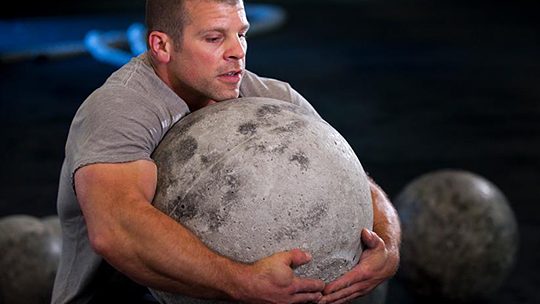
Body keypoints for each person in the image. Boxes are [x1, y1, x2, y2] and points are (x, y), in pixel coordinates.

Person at [52, 0, 401, 303]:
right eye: (214, 38)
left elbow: (354, 179)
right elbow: (116, 229)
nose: (237, 51)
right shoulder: (119, 108)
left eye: (242, 33)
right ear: (161, 46)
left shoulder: (275, 101)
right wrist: (241, 282)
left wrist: (387, 245)